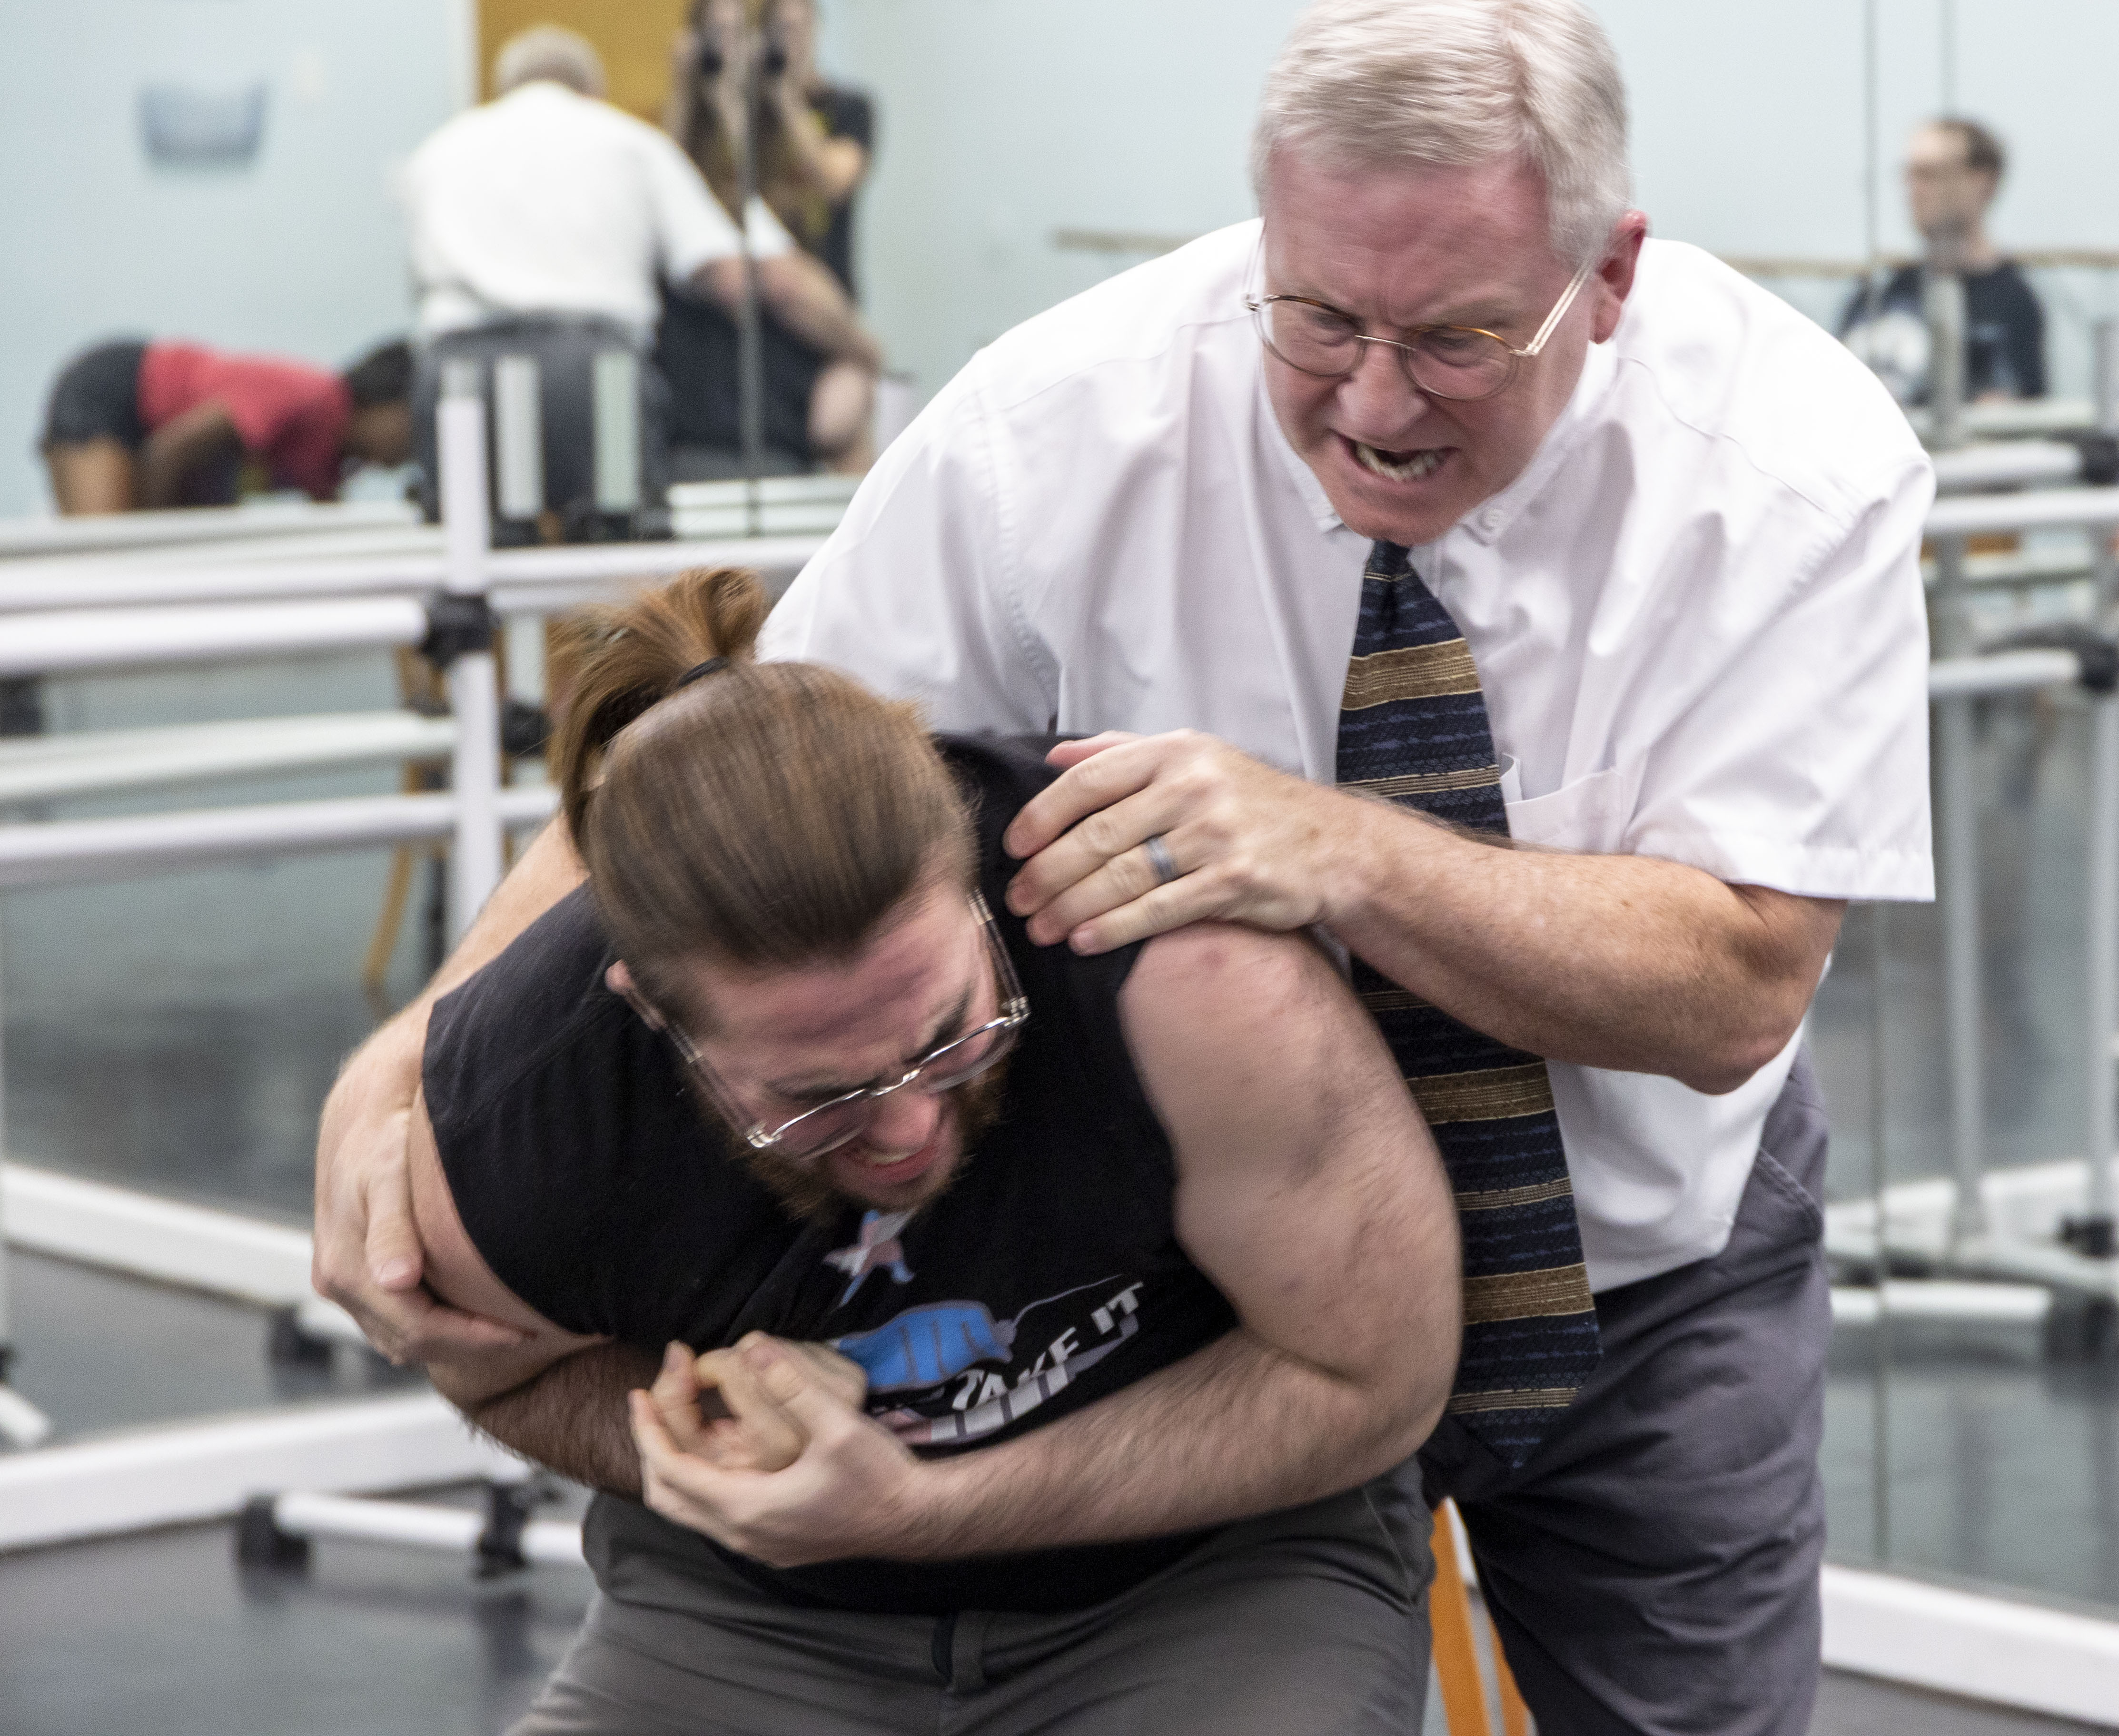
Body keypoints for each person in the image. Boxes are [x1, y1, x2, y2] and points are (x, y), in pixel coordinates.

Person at [317, 3, 1936, 1730]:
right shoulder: (1061, 423)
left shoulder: (1793, 472)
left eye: (1457, 338)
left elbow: (1731, 986)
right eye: (1317, 317)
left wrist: (1335, 852)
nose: (1375, 401)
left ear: (1606, 277)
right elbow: (725, 775)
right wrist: (411, 1064)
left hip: (1641, 1256)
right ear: (1266, 234)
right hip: (1198, 1286)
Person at [415, 568, 1457, 1733]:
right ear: (652, 1014)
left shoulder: (1193, 982)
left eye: (949, 1034)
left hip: (1201, 1578)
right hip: (756, 1615)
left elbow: (1371, 1377)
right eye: (822, 1096)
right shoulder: (528, 1094)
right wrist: (687, 1428)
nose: (909, 1128)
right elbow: (493, 1366)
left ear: (969, 881)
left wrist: (919, 1507)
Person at [398, 24, 880, 519]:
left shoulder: (437, 152)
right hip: (592, 376)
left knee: (468, 555)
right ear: (592, 93)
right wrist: (865, 351)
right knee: (616, 555)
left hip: (458, 379)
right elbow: (747, 278)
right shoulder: (629, 142)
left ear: (502, 92)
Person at [662, 0, 878, 475]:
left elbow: (832, 180)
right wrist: (700, 93)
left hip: (821, 307)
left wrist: (781, 94)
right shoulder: (715, 117)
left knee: (843, 429)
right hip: (753, 322)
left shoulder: (843, 108)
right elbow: (675, 184)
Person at [36, 336, 414, 515]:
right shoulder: (311, 396)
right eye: (411, 427)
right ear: (384, 404)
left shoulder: (330, 464)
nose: (411, 449)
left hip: (155, 447)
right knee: (105, 560)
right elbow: (169, 453)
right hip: (116, 395)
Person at [1837, 117, 2047, 407]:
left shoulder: (2013, 302)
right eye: (1909, 175)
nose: (1914, 190)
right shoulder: (1877, 293)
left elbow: (2021, 416)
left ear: (1983, 183)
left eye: (1930, 174)